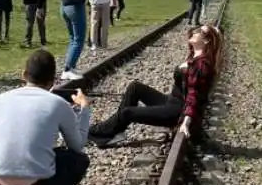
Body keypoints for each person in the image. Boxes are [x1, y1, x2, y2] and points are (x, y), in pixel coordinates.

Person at [0, 49, 91, 185]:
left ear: (24, 75)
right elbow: (77, 146)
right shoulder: (58, 103)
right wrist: (84, 109)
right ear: (52, 81)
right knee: (79, 160)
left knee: (2, 149)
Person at [88, 23, 223, 148]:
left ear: (206, 41)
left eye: (200, 31)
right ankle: (116, 131)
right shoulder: (195, 55)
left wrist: (186, 123)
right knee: (135, 87)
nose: (195, 30)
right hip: (171, 102)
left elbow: (194, 96)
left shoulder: (202, 65)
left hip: (176, 112)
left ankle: (95, 131)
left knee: (127, 112)